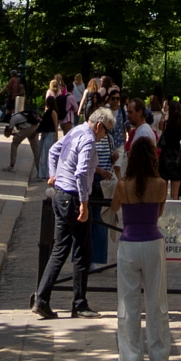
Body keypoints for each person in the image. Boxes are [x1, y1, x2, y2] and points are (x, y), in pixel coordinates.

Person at [33, 106, 115, 320]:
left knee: (60, 248)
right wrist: (84, 205)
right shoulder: (88, 139)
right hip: (74, 197)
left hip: (61, 195)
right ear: (98, 126)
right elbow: (81, 173)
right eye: (105, 131)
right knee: (82, 251)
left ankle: (41, 298)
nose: (104, 136)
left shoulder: (76, 131)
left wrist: (53, 175)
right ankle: (79, 304)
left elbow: (54, 151)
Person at [114, 131, 172, 361]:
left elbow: (114, 208)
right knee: (156, 301)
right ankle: (158, 357)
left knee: (128, 303)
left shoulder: (123, 185)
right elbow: (158, 214)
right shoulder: (160, 185)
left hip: (128, 242)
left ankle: (132, 359)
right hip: (152, 242)